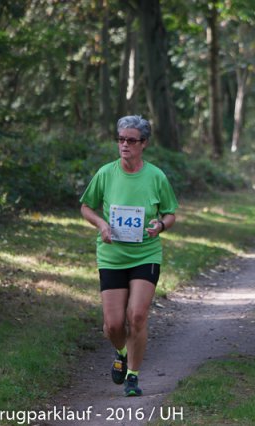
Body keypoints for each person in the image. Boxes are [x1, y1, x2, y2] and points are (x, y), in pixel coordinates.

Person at [80, 115, 178, 397]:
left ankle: (133, 376)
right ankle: (122, 353)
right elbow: (86, 207)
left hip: (146, 254)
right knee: (112, 325)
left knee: (136, 315)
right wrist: (102, 225)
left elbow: (170, 213)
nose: (124, 145)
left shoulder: (156, 176)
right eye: (121, 139)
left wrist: (159, 226)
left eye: (131, 140)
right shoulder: (105, 173)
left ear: (143, 143)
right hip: (112, 255)